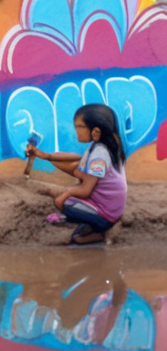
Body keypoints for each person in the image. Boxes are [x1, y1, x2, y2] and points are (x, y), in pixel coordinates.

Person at [26, 104, 127, 245]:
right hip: (108, 207)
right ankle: (92, 224)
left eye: (80, 127)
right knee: (68, 198)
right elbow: (76, 164)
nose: (76, 131)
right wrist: (45, 156)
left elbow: (85, 190)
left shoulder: (99, 156)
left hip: (107, 213)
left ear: (95, 131)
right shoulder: (99, 147)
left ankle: (100, 232)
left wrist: (65, 194)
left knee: (65, 205)